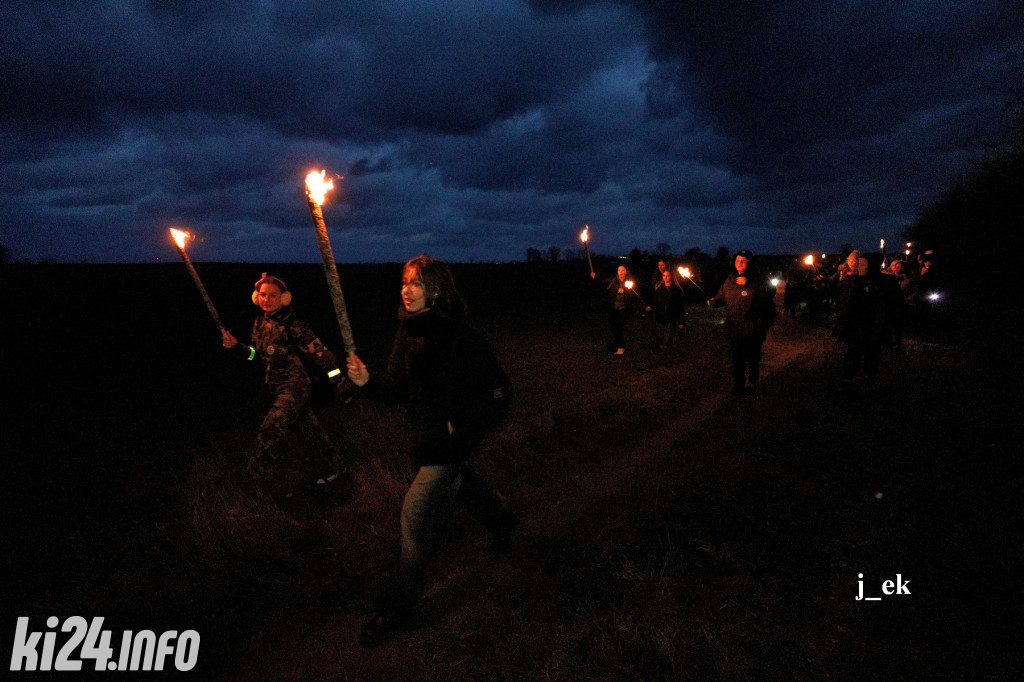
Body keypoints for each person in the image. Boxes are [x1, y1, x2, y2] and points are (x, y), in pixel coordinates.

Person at [346, 255, 517, 647]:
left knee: (415, 515)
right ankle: (503, 519)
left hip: (449, 442)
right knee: (462, 485)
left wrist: (463, 431)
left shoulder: (460, 337)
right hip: (425, 438)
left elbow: (497, 392)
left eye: (417, 283)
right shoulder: (407, 332)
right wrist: (368, 381)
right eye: (405, 282)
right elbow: (400, 387)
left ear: (436, 290)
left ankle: (397, 606)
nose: (407, 289)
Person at [221, 273, 350, 501]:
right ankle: (336, 468)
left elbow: (325, 357)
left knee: (268, 433)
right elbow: (256, 355)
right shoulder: (259, 324)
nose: (267, 299)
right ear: (256, 297)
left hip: (296, 388)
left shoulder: (295, 326)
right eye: (262, 295)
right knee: (311, 431)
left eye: (273, 295)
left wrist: (340, 383)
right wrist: (238, 347)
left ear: (284, 298)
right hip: (276, 387)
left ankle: (264, 488)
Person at [707, 250, 776, 395]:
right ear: (734, 262)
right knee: (737, 357)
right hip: (735, 326)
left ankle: (754, 367)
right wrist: (714, 302)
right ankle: (738, 385)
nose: (741, 263)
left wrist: (750, 284)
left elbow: (770, 292)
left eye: (744, 261)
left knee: (752, 354)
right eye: (738, 260)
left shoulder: (757, 279)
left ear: (749, 262)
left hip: (753, 326)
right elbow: (721, 297)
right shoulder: (730, 280)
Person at [833, 253, 905, 390]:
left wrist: (895, 330)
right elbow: (841, 301)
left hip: (875, 324)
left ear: (871, 266)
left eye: (862, 264)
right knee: (854, 350)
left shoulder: (887, 283)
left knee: (872, 351)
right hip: (857, 324)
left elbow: (897, 306)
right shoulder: (850, 281)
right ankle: (847, 378)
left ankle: (869, 376)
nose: (858, 267)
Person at [595, 264, 642, 355]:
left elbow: (636, 295)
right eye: (619, 270)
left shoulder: (629, 282)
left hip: (624, 309)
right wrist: (595, 277)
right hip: (613, 308)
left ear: (626, 272)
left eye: (623, 270)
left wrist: (642, 307)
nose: (621, 272)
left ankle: (621, 347)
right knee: (614, 327)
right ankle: (617, 345)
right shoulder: (613, 281)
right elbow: (601, 282)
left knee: (619, 326)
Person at [650, 267, 686, 351]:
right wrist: (650, 308)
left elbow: (680, 306)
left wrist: (681, 321)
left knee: (668, 333)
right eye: (664, 275)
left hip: (671, 316)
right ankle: (661, 346)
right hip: (660, 316)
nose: (665, 277)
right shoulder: (659, 289)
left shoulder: (677, 291)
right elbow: (655, 302)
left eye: (667, 276)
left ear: (672, 277)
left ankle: (665, 348)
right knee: (660, 333)